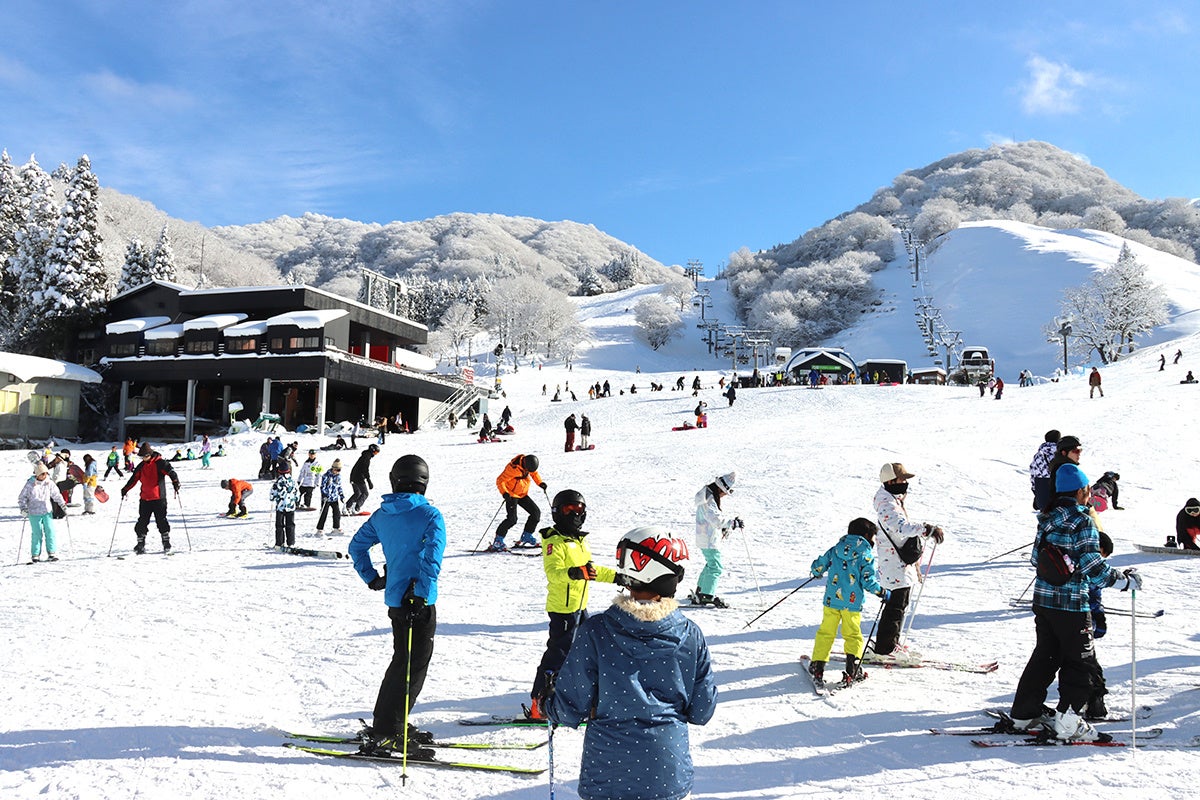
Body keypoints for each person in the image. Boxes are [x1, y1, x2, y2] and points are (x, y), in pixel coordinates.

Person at [548, 526, 717, 800]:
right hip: (668, 774)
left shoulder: (596, 631)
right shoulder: (690, 635)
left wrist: (549, 702)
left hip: (608, 775)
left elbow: (570, 708)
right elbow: (702, 710)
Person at [1008, 463, 1142, 742]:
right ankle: (1069, 722)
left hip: (1044, 602)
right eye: (1088, 489)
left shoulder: (1047, 517)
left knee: (1045, 656)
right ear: (1082, 490)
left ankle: (1024, 713)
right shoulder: (1083, 521)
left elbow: (1036, 559)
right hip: (1072, 606)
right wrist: (1124, 581)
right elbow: (1095, 568)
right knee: (1080, 662)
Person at [349, 455, 447, 759]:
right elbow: (431, 558)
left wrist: (372, 578)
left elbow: (356, 546)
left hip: (396, 600)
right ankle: (387, 731)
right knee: (413, 664)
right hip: (419, 601)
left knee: (402, 661)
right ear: (423, 481)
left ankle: (389, 722)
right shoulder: (430, 515)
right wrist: (421, 593)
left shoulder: (382, 514)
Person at [525, 489, 617, 720]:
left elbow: (592, 571)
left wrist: (620, 577)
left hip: (580, 607)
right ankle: (539, 703)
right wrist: (575, 572)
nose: (575, 514)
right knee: (558, 654)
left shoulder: (580, 540)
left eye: (579, 509)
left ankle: (585, 699)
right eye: (569, 509)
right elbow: (554, 573)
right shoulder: (554, 541)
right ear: (558, 512)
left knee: (589, 652)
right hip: (563, 610)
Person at [871, 462, 943, 657]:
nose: (905, 483)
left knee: (899, 604)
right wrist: (926, 529)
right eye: (902, 479)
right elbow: (901, 527)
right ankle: (885, 648)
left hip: (897, 562)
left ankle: (890, 643)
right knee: (896, 605)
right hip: (893, 563)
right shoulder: (887, 504)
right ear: (891, 480)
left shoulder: (891, 499)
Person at [808, 518, 889, 687]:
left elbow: (820, 565)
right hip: (852, 605)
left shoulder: (836, 549)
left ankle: (818, 665)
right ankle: (852, 668)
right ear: (867, 535)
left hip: (831, 601)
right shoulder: (865, 555)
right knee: (852, 634)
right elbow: (868, 581)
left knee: (826, 632)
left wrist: (816, 571)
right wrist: (881, 592)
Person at [689, 472, 740, 608]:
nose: (724, 495)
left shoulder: (707, 496)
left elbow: (712, 519)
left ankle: (700, 591)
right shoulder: (710, 499)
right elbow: (715, 519)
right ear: (720, 489)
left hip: (705, 536)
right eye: (724, 492)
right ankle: (706, 595)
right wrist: (732, 523)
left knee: (710, 564)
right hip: (708, 539)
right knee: (715, 567)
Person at [121, 443, 181, 554]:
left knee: (161, 521)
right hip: (145, 499)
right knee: (142, 522)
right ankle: (140, 544)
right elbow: (133, 479)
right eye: (141, 457)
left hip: (159, 498)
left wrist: (175, 482)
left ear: (149, 454)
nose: (143, 459)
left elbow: (171, 472)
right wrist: (125, 489)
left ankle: (166, 542)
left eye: (144, 456)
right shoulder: (141, 466)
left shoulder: (160, 463)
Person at [490, 454, 546, 551]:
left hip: (522, 494)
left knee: (535, 513)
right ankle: (498, 541)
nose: (529, 472)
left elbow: (534, 473)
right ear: (525, 464)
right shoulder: (512, 468)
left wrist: (540, 483)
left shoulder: (528, 465)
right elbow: (500, 480)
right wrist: (505, 493)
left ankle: (526, 536)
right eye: (528, 470)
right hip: (511, 495)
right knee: (512, 519)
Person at [19, 462, 68, 562]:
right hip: (34, 512)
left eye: (46, 473)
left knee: (50, 531)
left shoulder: (49, 483)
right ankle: (35, 555)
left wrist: (62, 504)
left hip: (47, 511)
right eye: (42, 474)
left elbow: (56, 495)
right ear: (37, 474)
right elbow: (22, 498)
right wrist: (23, 508)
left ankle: (51, 553)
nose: (44, 475)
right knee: (37, 533)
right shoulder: (30, 484)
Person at [270, 462, 301, 548]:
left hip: (281, 506)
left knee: (279, 525)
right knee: (290, 524)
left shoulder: (278, 482)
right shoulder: (293, 481)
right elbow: (297, 493)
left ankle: (279, 543)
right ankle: (291, 543)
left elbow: (272, 494)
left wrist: (273, 498)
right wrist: (296, 500)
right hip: (290, 506)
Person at [1029, 430, 1061, 512]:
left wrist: (1036, 492)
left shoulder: (1038, 455)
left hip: (1042, 490)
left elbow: (1033, 472)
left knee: (1045, 520)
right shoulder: (1061, 454)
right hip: (1057, 490)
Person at [345, 444, 380, 515]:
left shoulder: (365, 456)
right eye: (376, 452)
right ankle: (356, 508)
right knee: (365, 493)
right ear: (372, 451)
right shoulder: (366, 457)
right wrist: (369, 480)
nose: (376, 454)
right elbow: (365, 470)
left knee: (357, 493)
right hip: (358, 478)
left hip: (353, 476)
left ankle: (347, 507)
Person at [316, 459, 345, 535]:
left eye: (339, 470)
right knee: (324, 513)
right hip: (327, 498)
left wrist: (342, 496)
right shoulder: (326, 476)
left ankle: (336, 527)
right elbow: (322, 487)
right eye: (337, 470)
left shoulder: (338, 477)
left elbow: (339, 487)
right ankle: (320, 529)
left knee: (337, 513)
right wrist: (324, 495)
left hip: (334, 498)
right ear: (333, 468)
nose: (338, 472)